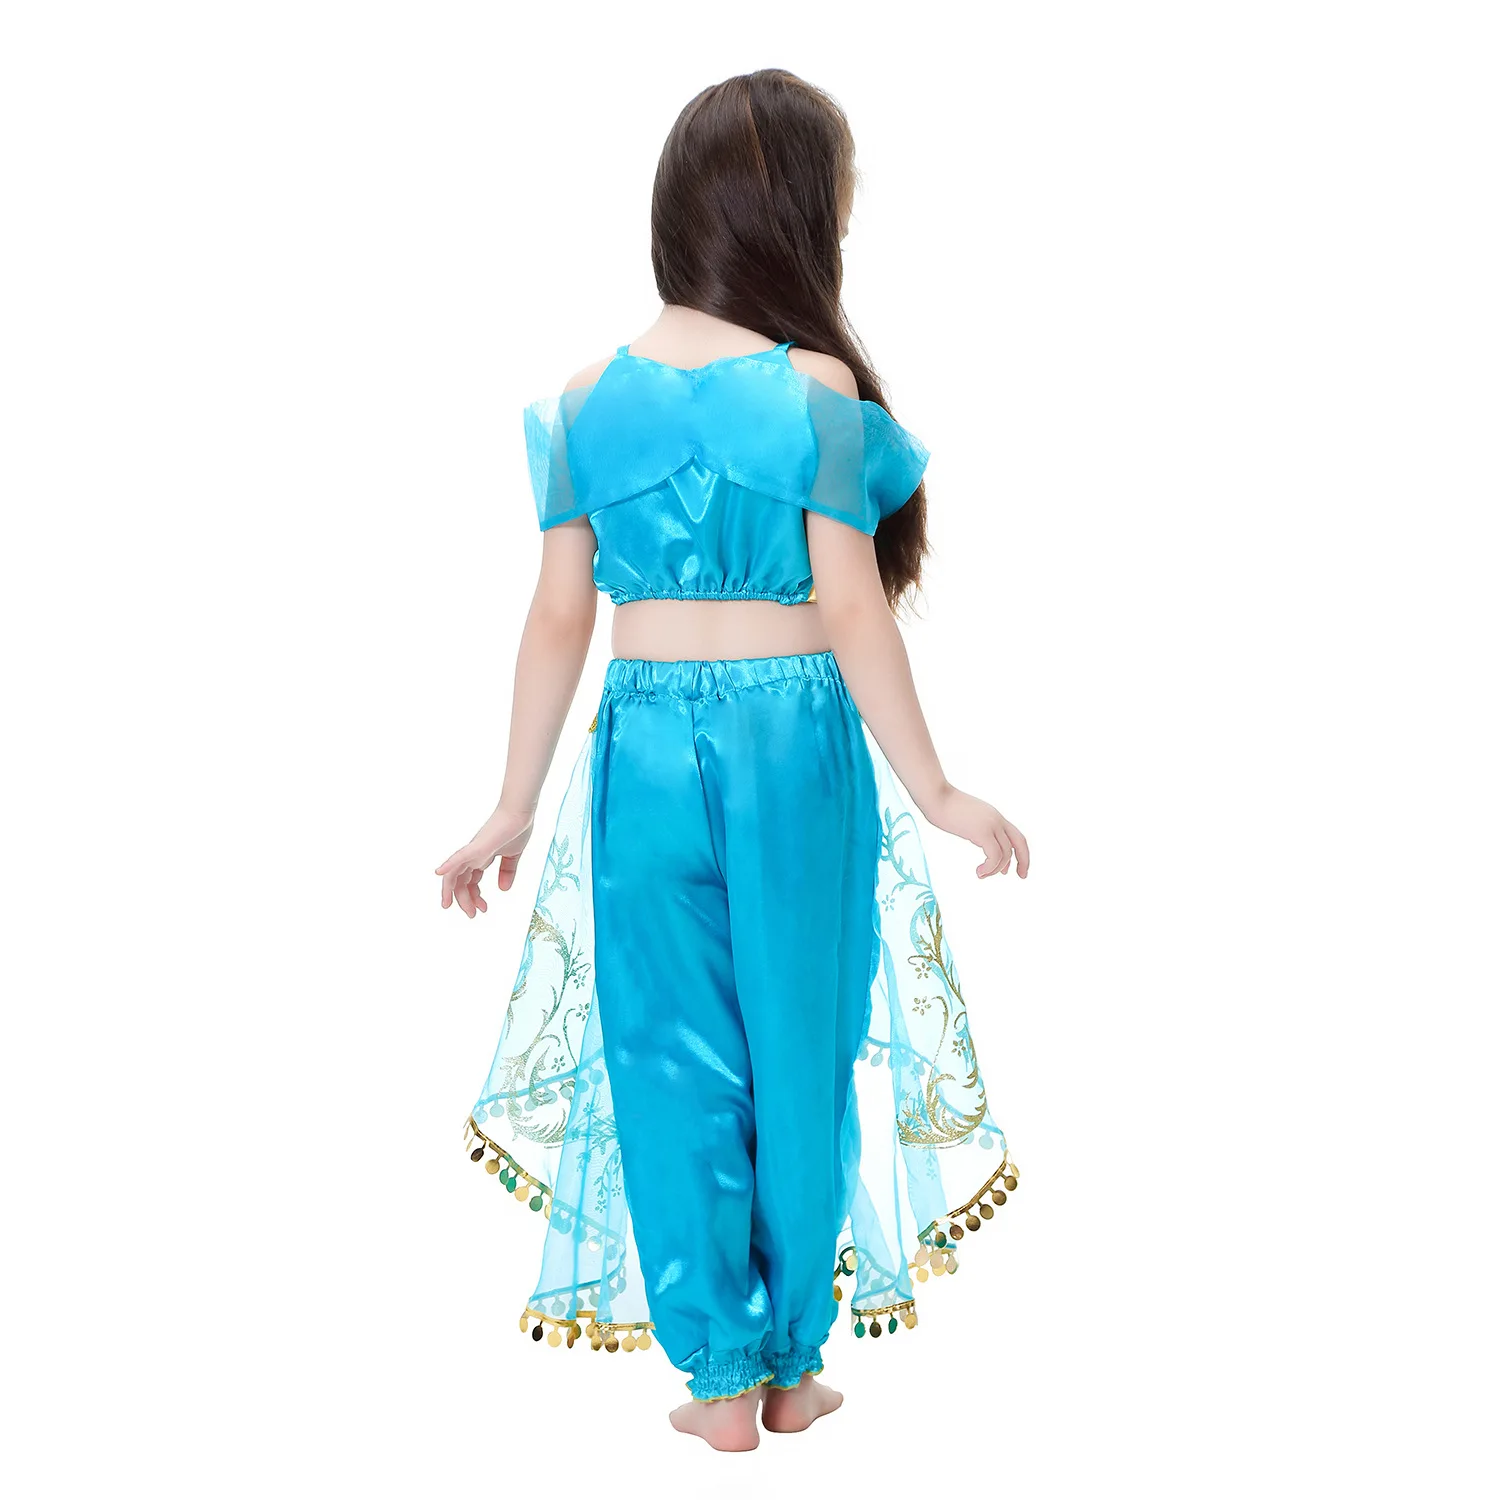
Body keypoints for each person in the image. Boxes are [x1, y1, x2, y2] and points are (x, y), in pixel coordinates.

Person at [437, 68, 1029, 1452]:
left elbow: (557, 619)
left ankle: (718, 1379)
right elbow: (850, 606)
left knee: (665, 1045)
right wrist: (936, 788)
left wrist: (513, 803)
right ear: (792, 220)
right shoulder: (813, 389)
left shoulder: (586, 400)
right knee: (799, 1034)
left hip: (638, 740)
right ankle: (791, 1362)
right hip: (789, 741)